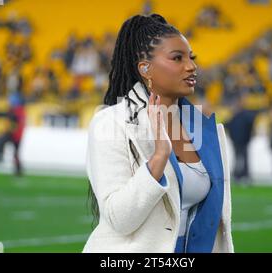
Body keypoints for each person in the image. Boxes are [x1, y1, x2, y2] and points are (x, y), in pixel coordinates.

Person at [83, 14, 233, 253]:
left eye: (191, 58)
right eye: (177, 58)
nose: (191, 66)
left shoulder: (205, 128)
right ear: (145, 68)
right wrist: (159, 157)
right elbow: (119, 219)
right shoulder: (111, 122)